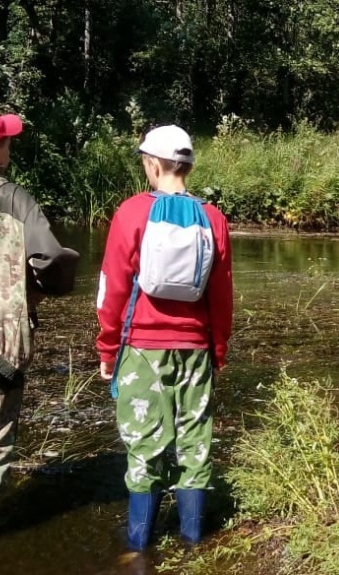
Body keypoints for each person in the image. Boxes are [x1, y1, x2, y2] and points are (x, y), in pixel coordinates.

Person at [96, 125, 233, 550]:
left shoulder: (131, 212)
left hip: (141, 349)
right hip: (196, 348)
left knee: (144, 444)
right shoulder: (213, 217)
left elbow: (113, 288)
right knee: (195, 442)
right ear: (187, 166)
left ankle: (140, 547)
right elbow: (222, 294)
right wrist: (219, 350)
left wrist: (107, 347)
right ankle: (193, 542)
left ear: (152, 164)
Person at [0, 108, 79, 543]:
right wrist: (53, 283)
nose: (9, 147)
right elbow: (49, 257)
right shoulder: (15, 198)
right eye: (8, 141)